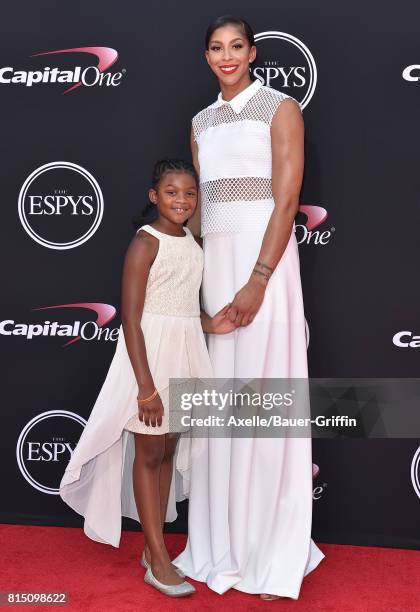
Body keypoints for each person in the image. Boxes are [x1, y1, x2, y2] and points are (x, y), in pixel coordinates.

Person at [172, 16, 325, 600]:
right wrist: (199, 286)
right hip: (218, 271)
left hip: (267, 265)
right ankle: (222, 545)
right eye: (216, 48)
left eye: (236, 46)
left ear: (253, 52)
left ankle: (271, 550)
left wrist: (259, 280)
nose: (226, 56)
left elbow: (287, 200)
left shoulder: (280, 108)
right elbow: (204, 214)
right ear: (206, 56)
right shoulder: (201, 124)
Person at [59, 158, 235, 598]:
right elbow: (132, 321)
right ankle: (157, 558)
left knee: (168, 449)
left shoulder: (192, 241)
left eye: (190, 193)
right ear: (154, 196)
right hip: (150, 357)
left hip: (187, 351)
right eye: (172, 192)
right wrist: (146, 387)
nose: (182, 200)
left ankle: (153, 548)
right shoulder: (145, 242)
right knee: (149, 451)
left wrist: (213, 324)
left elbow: (182, 304)